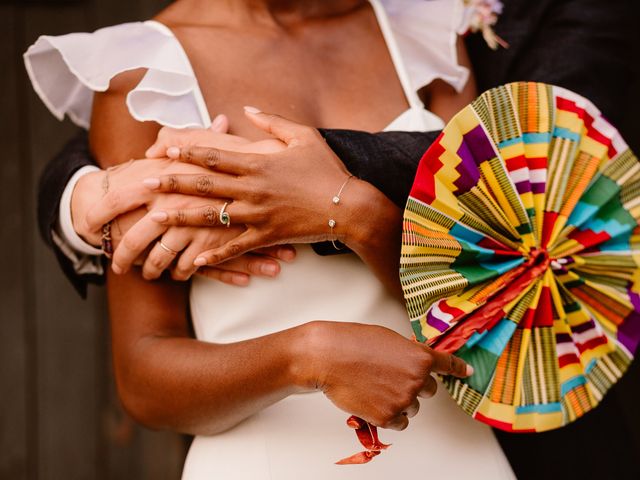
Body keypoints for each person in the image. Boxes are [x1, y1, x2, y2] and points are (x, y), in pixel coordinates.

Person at [29, 0, 640, 478]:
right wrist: (307, 355)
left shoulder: (426, 37)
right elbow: (143, 375)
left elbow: (481, 283)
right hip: (272, 462)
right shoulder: (143, 73)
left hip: (462, 452)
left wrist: (353, 215)